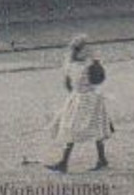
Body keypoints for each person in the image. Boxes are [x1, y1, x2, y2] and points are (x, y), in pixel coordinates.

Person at [47, 34, 113, 172]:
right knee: (78, 128)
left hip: (83, 98)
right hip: (85, 98)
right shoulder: (86, 64)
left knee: (86, 127)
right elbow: (98, 80)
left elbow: (71, 84)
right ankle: (97, 159)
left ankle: (67, 162)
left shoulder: (75, 65)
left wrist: (77, 91)